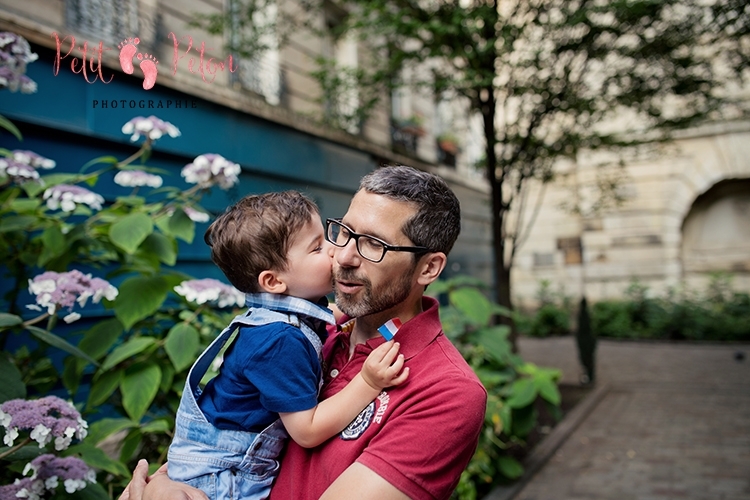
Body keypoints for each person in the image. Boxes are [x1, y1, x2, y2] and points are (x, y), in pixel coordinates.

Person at [121, 165, 488, 500]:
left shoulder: (447, 393)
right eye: (343, 232)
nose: (342, 255)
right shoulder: (307, 332)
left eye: (374, 244)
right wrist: (163, 489)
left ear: (429, 268)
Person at [165, 191, 409, 500]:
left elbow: (324, 314)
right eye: (317, 247)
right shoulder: (278, 341)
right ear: (273, 282)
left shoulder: (281, 311)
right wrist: (368, 382)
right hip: (224, 479)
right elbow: (306, 430)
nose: (336, 252)